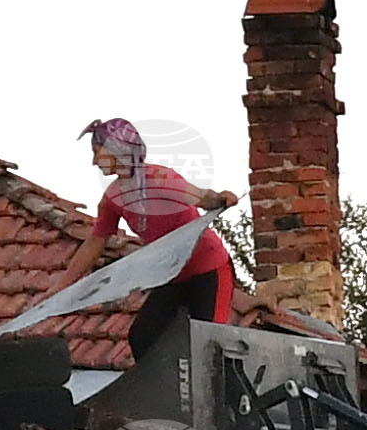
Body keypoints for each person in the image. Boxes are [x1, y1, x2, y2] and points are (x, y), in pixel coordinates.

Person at [55, 118, 240, 361]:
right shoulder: (113, 197)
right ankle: (166, 391)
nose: (93, 162)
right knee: (143, 336)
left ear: (117, 151)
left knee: (210, 345)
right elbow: (95, 242)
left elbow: (200, 197)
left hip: (208, 269)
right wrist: (61, 286)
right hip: (172, 275)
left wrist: (221, 198)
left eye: (97, 153)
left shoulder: (160, 178)